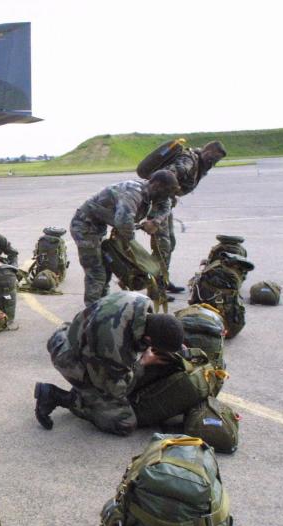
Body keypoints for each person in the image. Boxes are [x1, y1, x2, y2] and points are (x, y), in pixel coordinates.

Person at [33, 290, 184, 436]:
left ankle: (87, 393)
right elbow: (117, 389)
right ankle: (58, 396)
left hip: (76, 338)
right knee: (124, 422)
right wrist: (142, 363)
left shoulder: (142, 303)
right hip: (67, 356)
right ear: (150, 340)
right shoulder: (114, 345)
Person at [70, 170, 178, 306]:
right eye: (166, 192)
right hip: (84, 225)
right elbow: (123, 222)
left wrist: (155, 222)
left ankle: (102, 304)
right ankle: (92, 311)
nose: (167, 196)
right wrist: (129, 247)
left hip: (101, 226)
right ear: (156, 185)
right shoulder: (132, 192)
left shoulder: (156, 194)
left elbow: (166, 205)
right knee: (96, 271)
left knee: (106, 267)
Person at [151, 141, 227, 293]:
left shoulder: (199, 164)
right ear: (207, 151)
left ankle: (162, 280)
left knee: (169, 243)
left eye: (217, 160)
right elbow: (165, 175)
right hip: (157, 203)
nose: (214, 163)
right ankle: (155, 288)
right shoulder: (188, 161)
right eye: (213, 158)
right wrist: (171, 191)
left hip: (165, 203)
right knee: (162, 246)